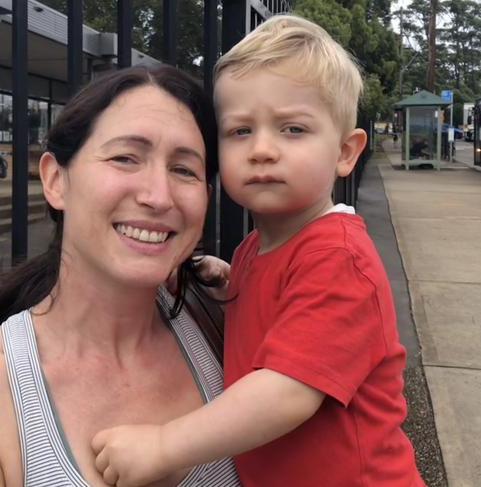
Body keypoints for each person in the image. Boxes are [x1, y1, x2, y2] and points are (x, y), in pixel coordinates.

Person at [91, 15, 426, 487]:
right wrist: (230, 279)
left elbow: (286, 392)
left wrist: (165, 445)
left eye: (292, 129)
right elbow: (278, 311)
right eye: (240, 131)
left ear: (345, 152)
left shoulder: (339, 259)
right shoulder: (257, 249)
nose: (262, 149)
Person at [0, 65, 241, 487]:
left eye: (185, 169)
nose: (157, 195)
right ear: (55, 180)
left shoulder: (226, 328)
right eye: (125, 158)